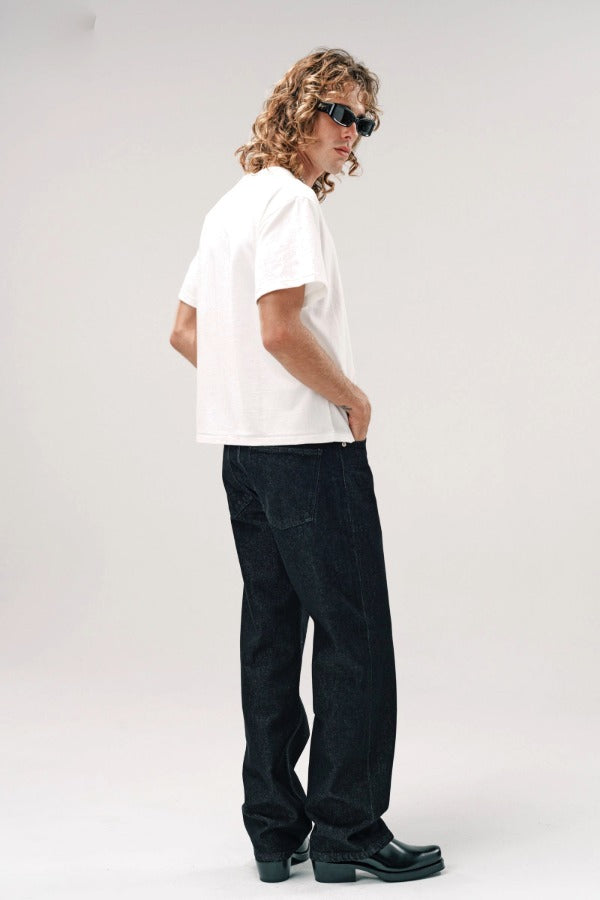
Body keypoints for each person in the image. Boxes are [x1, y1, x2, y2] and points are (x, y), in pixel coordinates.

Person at [170, 47, 445, 884]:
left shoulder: (230, 207)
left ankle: (272, 830)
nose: (350, 134)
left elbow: (186, 331)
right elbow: (281, 328)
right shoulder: (287, 203)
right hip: (309, 455)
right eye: (338, 112)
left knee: (272, 635)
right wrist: (351, 399)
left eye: (363, 122)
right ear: (298, 107)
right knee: (356, 636)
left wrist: (246, 395)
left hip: (245, 458)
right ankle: (349, 830)